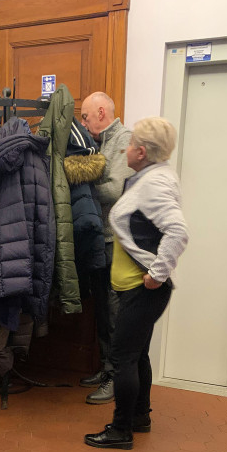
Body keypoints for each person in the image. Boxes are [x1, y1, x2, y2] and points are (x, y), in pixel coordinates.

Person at [84, 117, 188, 450]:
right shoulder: (148, 177)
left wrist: (157, 274)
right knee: (137, 355)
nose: (125, 149)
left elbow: (177, 231)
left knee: (123, 358)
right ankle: (140, 417)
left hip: (142, 291)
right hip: (136, 289)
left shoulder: (152, 184)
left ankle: (120, 430)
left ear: (140, 152)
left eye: (129, 146)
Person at [80, 92, 134, 404]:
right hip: (100, 240)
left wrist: (80, 186)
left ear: (101, 112)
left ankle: (115, 376)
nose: (84, 123)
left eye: (86, 117)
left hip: (116, 242)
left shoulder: (124, 138)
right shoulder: (99, 142)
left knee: (114, 312)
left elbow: (115, 189)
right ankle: (105, 368)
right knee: (101, 309)